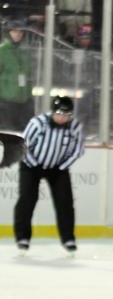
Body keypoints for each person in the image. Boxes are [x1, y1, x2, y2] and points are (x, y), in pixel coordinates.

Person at [13, 95, 84, 255]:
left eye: (67, 115)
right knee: (27, 199)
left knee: (65, 202)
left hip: (57, 167)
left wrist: (61, 166)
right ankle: (22, 237)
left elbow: (78, 150)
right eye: (59, 114)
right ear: (52, 112)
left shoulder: (74, 127)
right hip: (31, 165)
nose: (63, 118)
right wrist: (35, 164)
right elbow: (22, 146)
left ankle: (68, 239)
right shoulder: (37, 123)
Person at [0, 19, 34, 131]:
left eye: (20, 32)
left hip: (24, 100)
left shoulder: (24, 53)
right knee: (8, 133)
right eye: (14, 31)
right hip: (6, 101)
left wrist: (29, 96)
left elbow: (28, 76)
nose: (18, 34)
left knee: (25, 132)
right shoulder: (2, 51)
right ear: (8, 33)